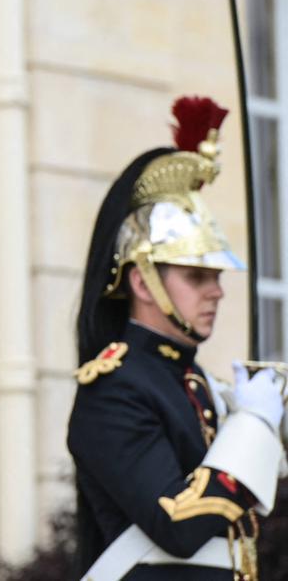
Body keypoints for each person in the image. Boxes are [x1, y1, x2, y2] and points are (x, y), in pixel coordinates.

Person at [68, 96, 287, 580]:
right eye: (197, 276)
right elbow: (179, 525)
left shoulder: (197, 384)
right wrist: (253, 425)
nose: (216, 292)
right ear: (143, 282)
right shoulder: (115, 388)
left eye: (216, 276)